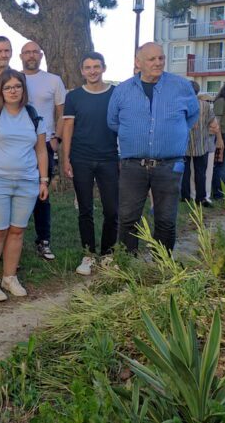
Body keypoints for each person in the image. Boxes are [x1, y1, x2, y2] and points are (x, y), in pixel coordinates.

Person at [108, 42, 199, 253]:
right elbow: (113, 121)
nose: (158, 63)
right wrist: (134, 133)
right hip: (133, 166)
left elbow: (192, 115)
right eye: (152, 59)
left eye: (161, 58)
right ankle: (127, 267)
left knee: (166, 219)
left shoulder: (181, 87)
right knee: (128, 218)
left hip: (169, 166)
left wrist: (173, 133)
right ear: (138, 62)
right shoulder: (122, 90)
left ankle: (162, 269)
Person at [0, 69, 49, 301]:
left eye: (17, 86)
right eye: (8, 87)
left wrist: (43, 180)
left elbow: (42, 151)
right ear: (0, 91)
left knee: (17, 231)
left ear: (23, 90)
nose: (13, 91)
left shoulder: (34, 116)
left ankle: (10, 277)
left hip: (27, 182)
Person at [61, 53, 118, 276]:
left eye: (96, 66)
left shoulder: (115, 94)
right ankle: (88, 254)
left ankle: (108, 253)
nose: (92, 71)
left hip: (109, 158)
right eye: (88, 67)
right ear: (82, 71)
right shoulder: (74, 97)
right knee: (85, 209)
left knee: (112, 210)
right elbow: (68, 129)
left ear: (104, 68)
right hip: (81, 158)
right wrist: (65, 158)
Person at [20, 41, 66, 261]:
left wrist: (56, 138)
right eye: (27, 52)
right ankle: (13, 240)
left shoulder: (53, 80)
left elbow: (62, 113)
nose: (31, 56)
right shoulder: (14, 79)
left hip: (44, 144)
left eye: (35, 52)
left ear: (41, 55)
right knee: (16, 191)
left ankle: (43, 240)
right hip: (19, 144)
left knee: (42, 194)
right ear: (21, 56)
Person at [182, 81, 222, 206]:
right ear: (197, 91)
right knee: (201, 173)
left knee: (185, 172)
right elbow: (214, 126)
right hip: (202, 144)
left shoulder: (181, 105)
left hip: (184, 144)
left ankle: (185, 197)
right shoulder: (205, 105)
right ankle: (201, 198)